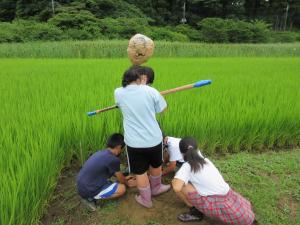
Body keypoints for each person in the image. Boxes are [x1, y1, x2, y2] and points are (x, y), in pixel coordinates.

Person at [114, 66, 170, 208]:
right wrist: (155, 94)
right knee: (156, 165)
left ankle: (146, 199)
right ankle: (156, 189)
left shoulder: (118, 93)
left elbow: (122, 104)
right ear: (141, 78)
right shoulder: (151, 91)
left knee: (140, 172)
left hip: (134, 143)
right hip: (154, 139)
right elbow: (163, 110)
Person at [172, 137, 255, 224]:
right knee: (186, 180)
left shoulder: (187, 167)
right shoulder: (205, 160)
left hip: (215, 203)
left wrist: (177, 178)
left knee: (179, 183)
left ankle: (195, 211)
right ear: (197, 149)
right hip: (227, 195)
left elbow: (176, 187)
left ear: (181, 153)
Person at [76, 133, 136, 211]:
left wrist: (124, 178)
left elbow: (115, 172)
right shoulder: (113, 159)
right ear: (118, 147)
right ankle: (91, 198)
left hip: (82, 185)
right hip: (89, 189)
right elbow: (121, 180)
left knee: (118, 181)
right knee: (122, 189)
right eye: (122, 149)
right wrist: (128, 183)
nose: (121, 151)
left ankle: (92, 193)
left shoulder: (101, 153)